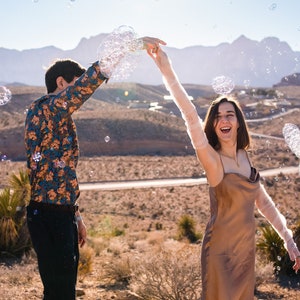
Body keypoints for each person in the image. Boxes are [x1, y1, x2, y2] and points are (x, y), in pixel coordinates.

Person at [147, 46, 300, 300]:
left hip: (245, 253)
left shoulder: (244, 156)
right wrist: (167, 69)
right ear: (214, 124)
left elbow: (262, 201)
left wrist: (287, 238)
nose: (224, 120)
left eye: (230, 115)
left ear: (238, 122)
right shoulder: (212, 160)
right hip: (220, 253)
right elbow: (190, 116)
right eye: (218, 117)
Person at [24, 36, 166, 300]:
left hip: (57, 213)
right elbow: (87, 85)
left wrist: (75, 215)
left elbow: (60, 173)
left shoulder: (55, 117)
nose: (78, 92)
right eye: (74, 84)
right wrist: (126, 47)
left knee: (59, 292)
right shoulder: (46, 109)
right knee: (60, 293)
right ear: (61, 83)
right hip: (50, 215)